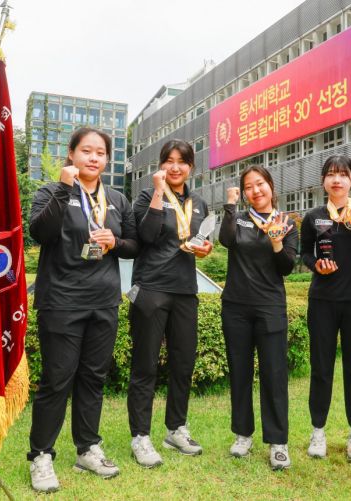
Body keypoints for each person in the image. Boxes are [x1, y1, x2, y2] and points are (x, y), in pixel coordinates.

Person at [27, 127, 139, 493]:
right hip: (61, 301)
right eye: (86, 151)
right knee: (57, 380)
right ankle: (41, 455)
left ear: (108, 159)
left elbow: (134, 245)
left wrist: (115, 240)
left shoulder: (118, 200)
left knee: (93, 377)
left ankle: (87, 447)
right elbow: (40, 233)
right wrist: (63, 188)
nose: (93, 158)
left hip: (104, 300)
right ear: (72, 153)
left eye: (100, 152)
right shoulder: (51, 191)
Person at [127, 139, 213, 468]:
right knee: (145, 365)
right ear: (161, 164)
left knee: (183, 363)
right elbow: (146, 236)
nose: (175, 167)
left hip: (184, 290)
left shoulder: (199, 202)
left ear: (191, 166)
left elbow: (199, 241)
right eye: (169, 160)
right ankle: (140, 436)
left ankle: (176, 428)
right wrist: (160, 192)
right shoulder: (148, 196)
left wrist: (205, 249)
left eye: (182, 161)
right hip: (151, 288)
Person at [300, 155, 351, 461]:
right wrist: (316, 265)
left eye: (342, 175)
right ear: (323, 181)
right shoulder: (313, 216)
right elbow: (303, 254)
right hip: (322, 301)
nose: (336, 180)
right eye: (331, 174)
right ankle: (318, 432)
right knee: (321, 369)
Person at [219, 165, 298, 470]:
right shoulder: (238, 218)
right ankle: (242, 434)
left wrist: (277, 240)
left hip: (270, 308)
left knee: (274, 375)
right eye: (249, 187)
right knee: (239, 373)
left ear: (270, 186)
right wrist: (230, 204)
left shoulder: (286, 222)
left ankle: (278, 442)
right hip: (236, 308)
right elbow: (225, 240)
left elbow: (286, 268)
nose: (255, 191)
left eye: (260, 184)